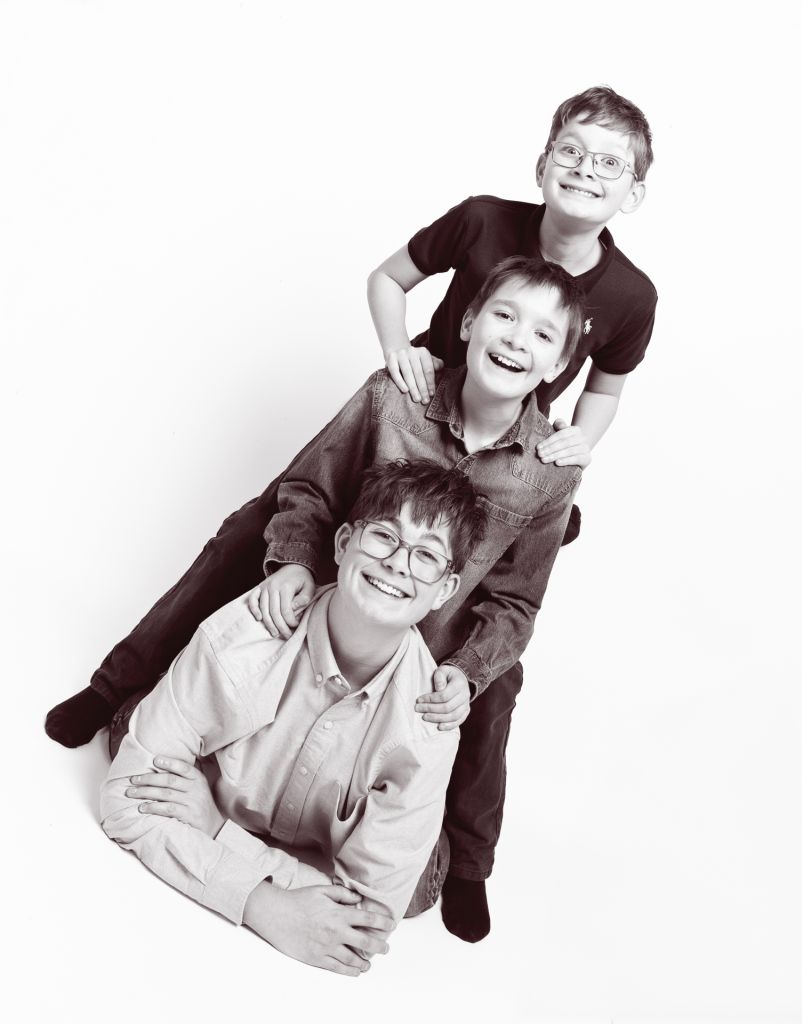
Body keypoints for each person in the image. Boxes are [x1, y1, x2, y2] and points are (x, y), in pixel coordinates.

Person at [52, 255, 585, 943]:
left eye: (543, 336)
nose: (517, 339)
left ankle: (467, 864)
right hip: (331, 603)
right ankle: (118, 690)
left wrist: (470, 670)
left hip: (426, 641)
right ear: (468, 321)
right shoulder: (395, 395)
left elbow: (516, 601)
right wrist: (292, 564)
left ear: (558, 366)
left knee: (489, 698)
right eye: (504, 317)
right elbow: (309, 489)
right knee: (232, 571)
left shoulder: (547, 474)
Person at [100, 460, 487, 977]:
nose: (398, 564)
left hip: (345, 824)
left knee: (416, 893)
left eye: (425, 557)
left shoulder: (428, 725)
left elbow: (365, 922)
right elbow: (125, 806)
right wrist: (265, 906)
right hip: (237, 759)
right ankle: (163, 714)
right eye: (383, 538)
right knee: (126, 737)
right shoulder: (244, 636)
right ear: (342, 542)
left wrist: (219, 832)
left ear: (444, 590)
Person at [368, 84, 656, 474]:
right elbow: (387, 277)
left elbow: (604, 388)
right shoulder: (480, 220)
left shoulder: (632, 296)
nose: (585, 169)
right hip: (418, 403)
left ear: (632, 195)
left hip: (506, 448)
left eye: (609, 163)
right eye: (571, 151)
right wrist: (398, 349)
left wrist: (579, 440)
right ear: (542, 167)